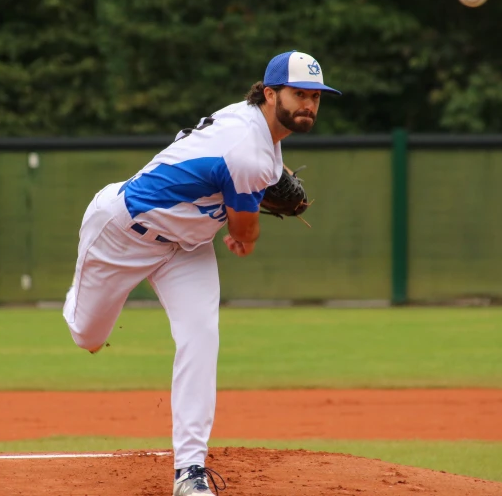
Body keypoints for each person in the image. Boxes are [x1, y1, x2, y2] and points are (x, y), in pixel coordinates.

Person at [62, 50, 341, 495]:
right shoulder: (249, 150)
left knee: (201, 336)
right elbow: (244, 231)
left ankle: (189, 471)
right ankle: (79, 300)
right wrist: (241, 232)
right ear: (270, 94)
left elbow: (247, 178)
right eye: (299, 94)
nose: (309, 104)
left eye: (315, 96)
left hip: (185, 247)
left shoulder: (261, 129)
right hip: (122, 232)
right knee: (88, 337)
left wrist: (247, 203)